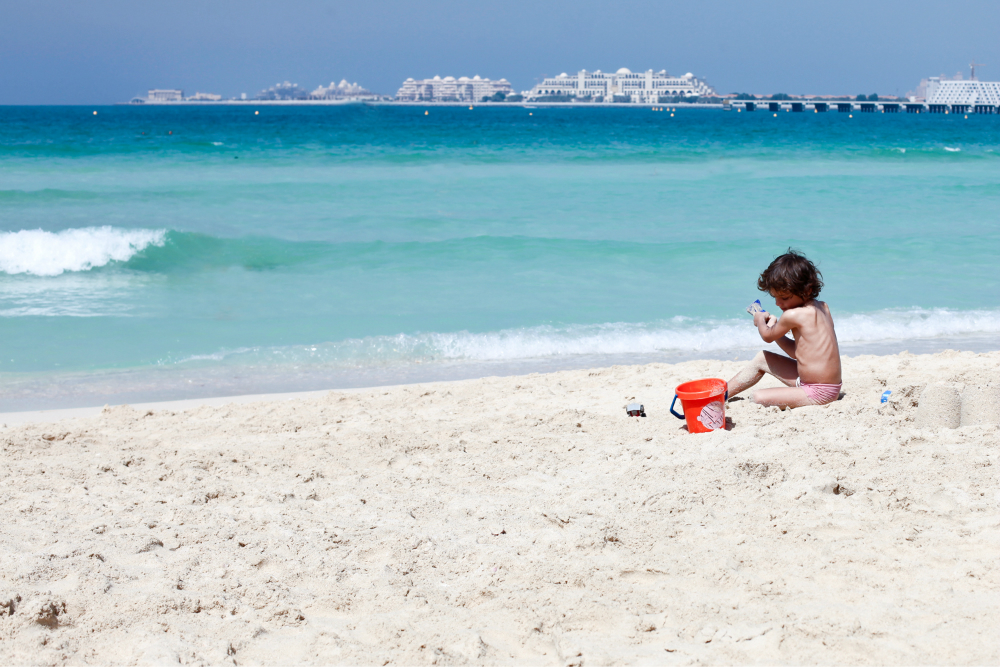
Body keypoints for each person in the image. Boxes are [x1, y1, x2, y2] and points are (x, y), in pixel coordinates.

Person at [727, 250, 842, 408]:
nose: (778, 303)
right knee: (762, 358)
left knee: (757, 397)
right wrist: (774, 328)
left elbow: (767, 337)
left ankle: (717, 396)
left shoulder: (792, 315)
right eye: (775, 297)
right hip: (823, 384)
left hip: (819, 392)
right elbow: (799, 353)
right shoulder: (823, 307)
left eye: (784, 298)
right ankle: (721, 394)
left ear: (807, 290)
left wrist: (761, 321)